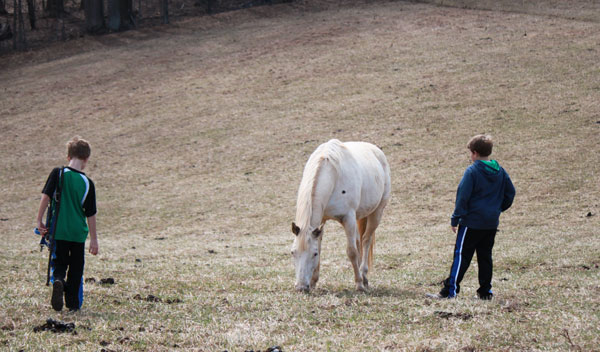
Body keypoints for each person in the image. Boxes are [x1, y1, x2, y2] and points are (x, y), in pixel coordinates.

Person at [428, 134, 515, 300]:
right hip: (490, 223)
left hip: (471, 223)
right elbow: (511, 193)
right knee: (485, 257)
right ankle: (485, 292)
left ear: (474, 153)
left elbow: (463, 196)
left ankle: (449, 291)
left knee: (462, 256)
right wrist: (497, 209)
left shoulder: (472, 171)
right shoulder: (500, 171)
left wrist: (455, 218)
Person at [36, 136, 98, 311]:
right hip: (78, 233)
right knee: (77, 268)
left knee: (60, 262)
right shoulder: (88, 183)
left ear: (68, 156)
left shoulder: (58, 173)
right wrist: (94, 240)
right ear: (86, 159)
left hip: (59, 231)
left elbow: (46, 196)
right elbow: (91, 214)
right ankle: (72, 303)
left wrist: (39, 219)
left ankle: (58, 280)